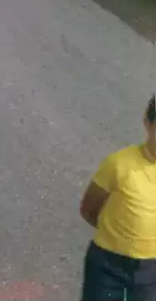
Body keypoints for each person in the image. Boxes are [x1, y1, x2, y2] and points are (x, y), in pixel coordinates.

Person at [79, 97, 156, 300]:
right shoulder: (119, 164)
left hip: (151, 269)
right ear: (148, 123)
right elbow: (88, 209)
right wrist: (118, 238)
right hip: (107, 264)